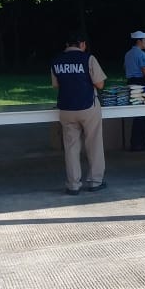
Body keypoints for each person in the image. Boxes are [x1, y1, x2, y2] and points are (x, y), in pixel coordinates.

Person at [51, 30, 107, 195]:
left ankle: (73, 185)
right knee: (94, 144)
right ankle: (95, 181)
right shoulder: (88, 58)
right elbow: (100, 84)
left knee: (71, 148)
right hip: (88, 107)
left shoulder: (57, 60)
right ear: (82, 44)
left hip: (66, 109)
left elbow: (56, 85)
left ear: (66, 45)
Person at [124, 29, 145, 151]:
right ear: (139, 41)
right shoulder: (142, 54)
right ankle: (138, 143)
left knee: (137, 113)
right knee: (144, 113)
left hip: (130, 83)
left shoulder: (127, 54)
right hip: (140, 83)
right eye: (144, 40)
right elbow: (144, 71)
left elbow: (125, 68)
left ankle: (136, 142)